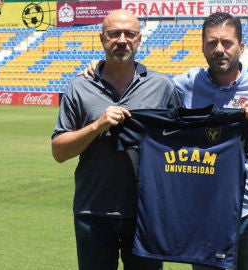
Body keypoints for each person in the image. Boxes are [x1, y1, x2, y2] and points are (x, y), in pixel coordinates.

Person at [82, 12, 248, 270]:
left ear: (241, 47)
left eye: (226, 43)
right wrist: (103, 67)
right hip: (205, 214)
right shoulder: (185, 85)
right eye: (212, 43)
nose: (219, 49)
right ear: (203, 47)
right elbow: (148, 86)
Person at [51, 9, 181, 270]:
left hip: (146, 212)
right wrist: (96, 125)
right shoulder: (79, 87)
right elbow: (59, 152)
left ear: (139, 39)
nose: (122, 39)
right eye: (114, 34)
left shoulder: (162, 86)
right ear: (102, 39)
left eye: (129, 34)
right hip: (93, 212)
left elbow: (178, 146)